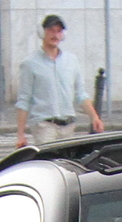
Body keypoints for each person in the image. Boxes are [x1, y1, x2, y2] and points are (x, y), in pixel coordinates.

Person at [14, 15, 104, 148]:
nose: (55, 35)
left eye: (59, 31)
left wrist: (94, 117)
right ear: (42, 32)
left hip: (68, 126)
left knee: (65, 165)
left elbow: (80, 94)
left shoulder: (71, 61)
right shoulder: (30, 63)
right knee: (49, 163)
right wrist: (20, 134)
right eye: (51, 30)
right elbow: (24, 99)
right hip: (44, 125)